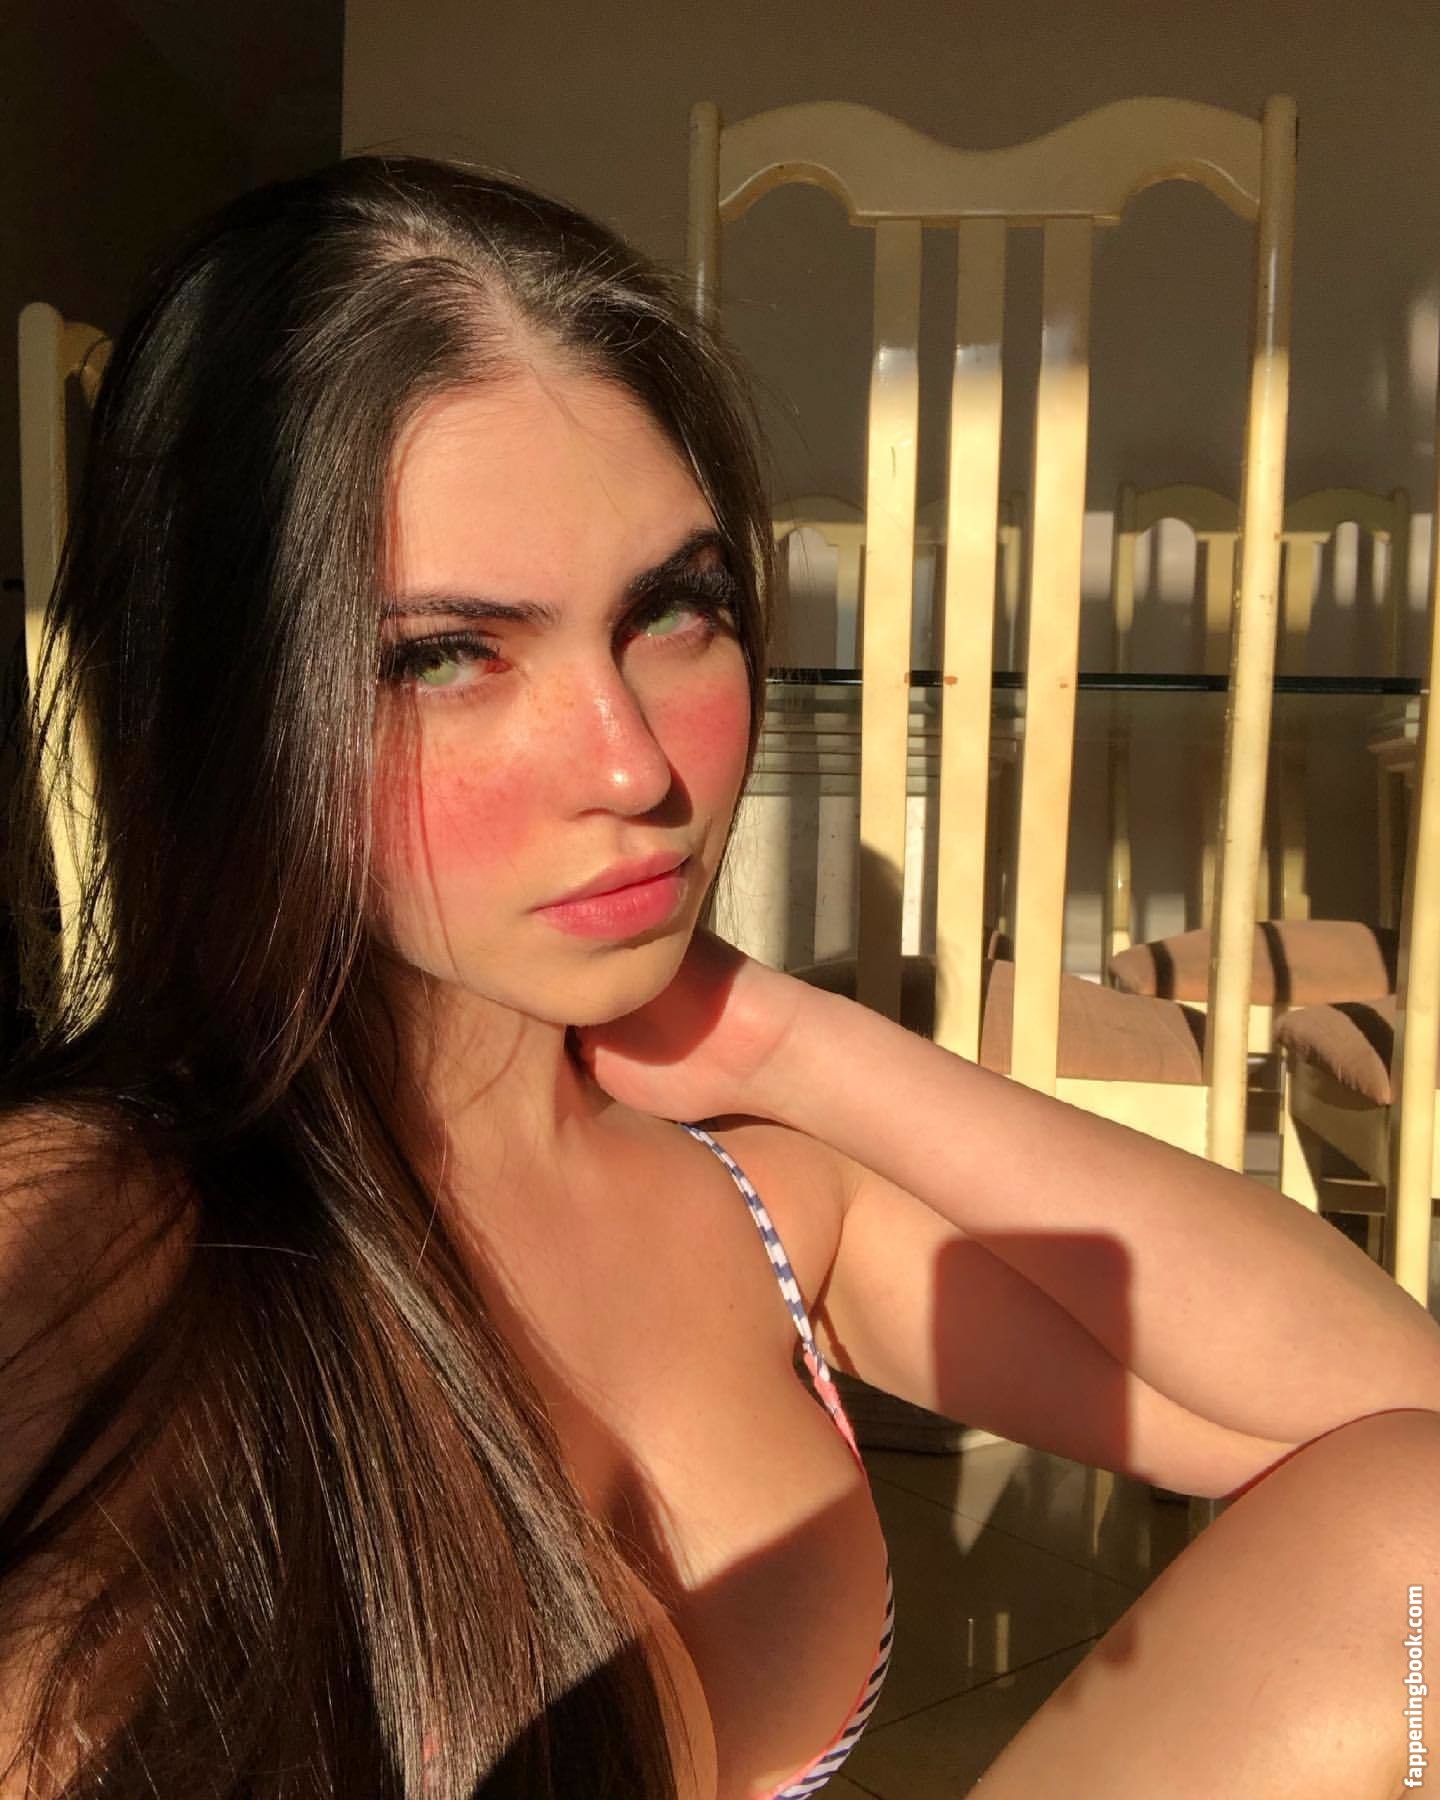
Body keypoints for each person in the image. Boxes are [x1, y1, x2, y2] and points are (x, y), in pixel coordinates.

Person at [2, 154, 1438, 1800]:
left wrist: (784, 1035)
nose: (634, 764)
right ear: (226, 711)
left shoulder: (768, 1202)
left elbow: (1386, 1414)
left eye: (674, 611)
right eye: (448, 655)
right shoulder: (98, 1237)